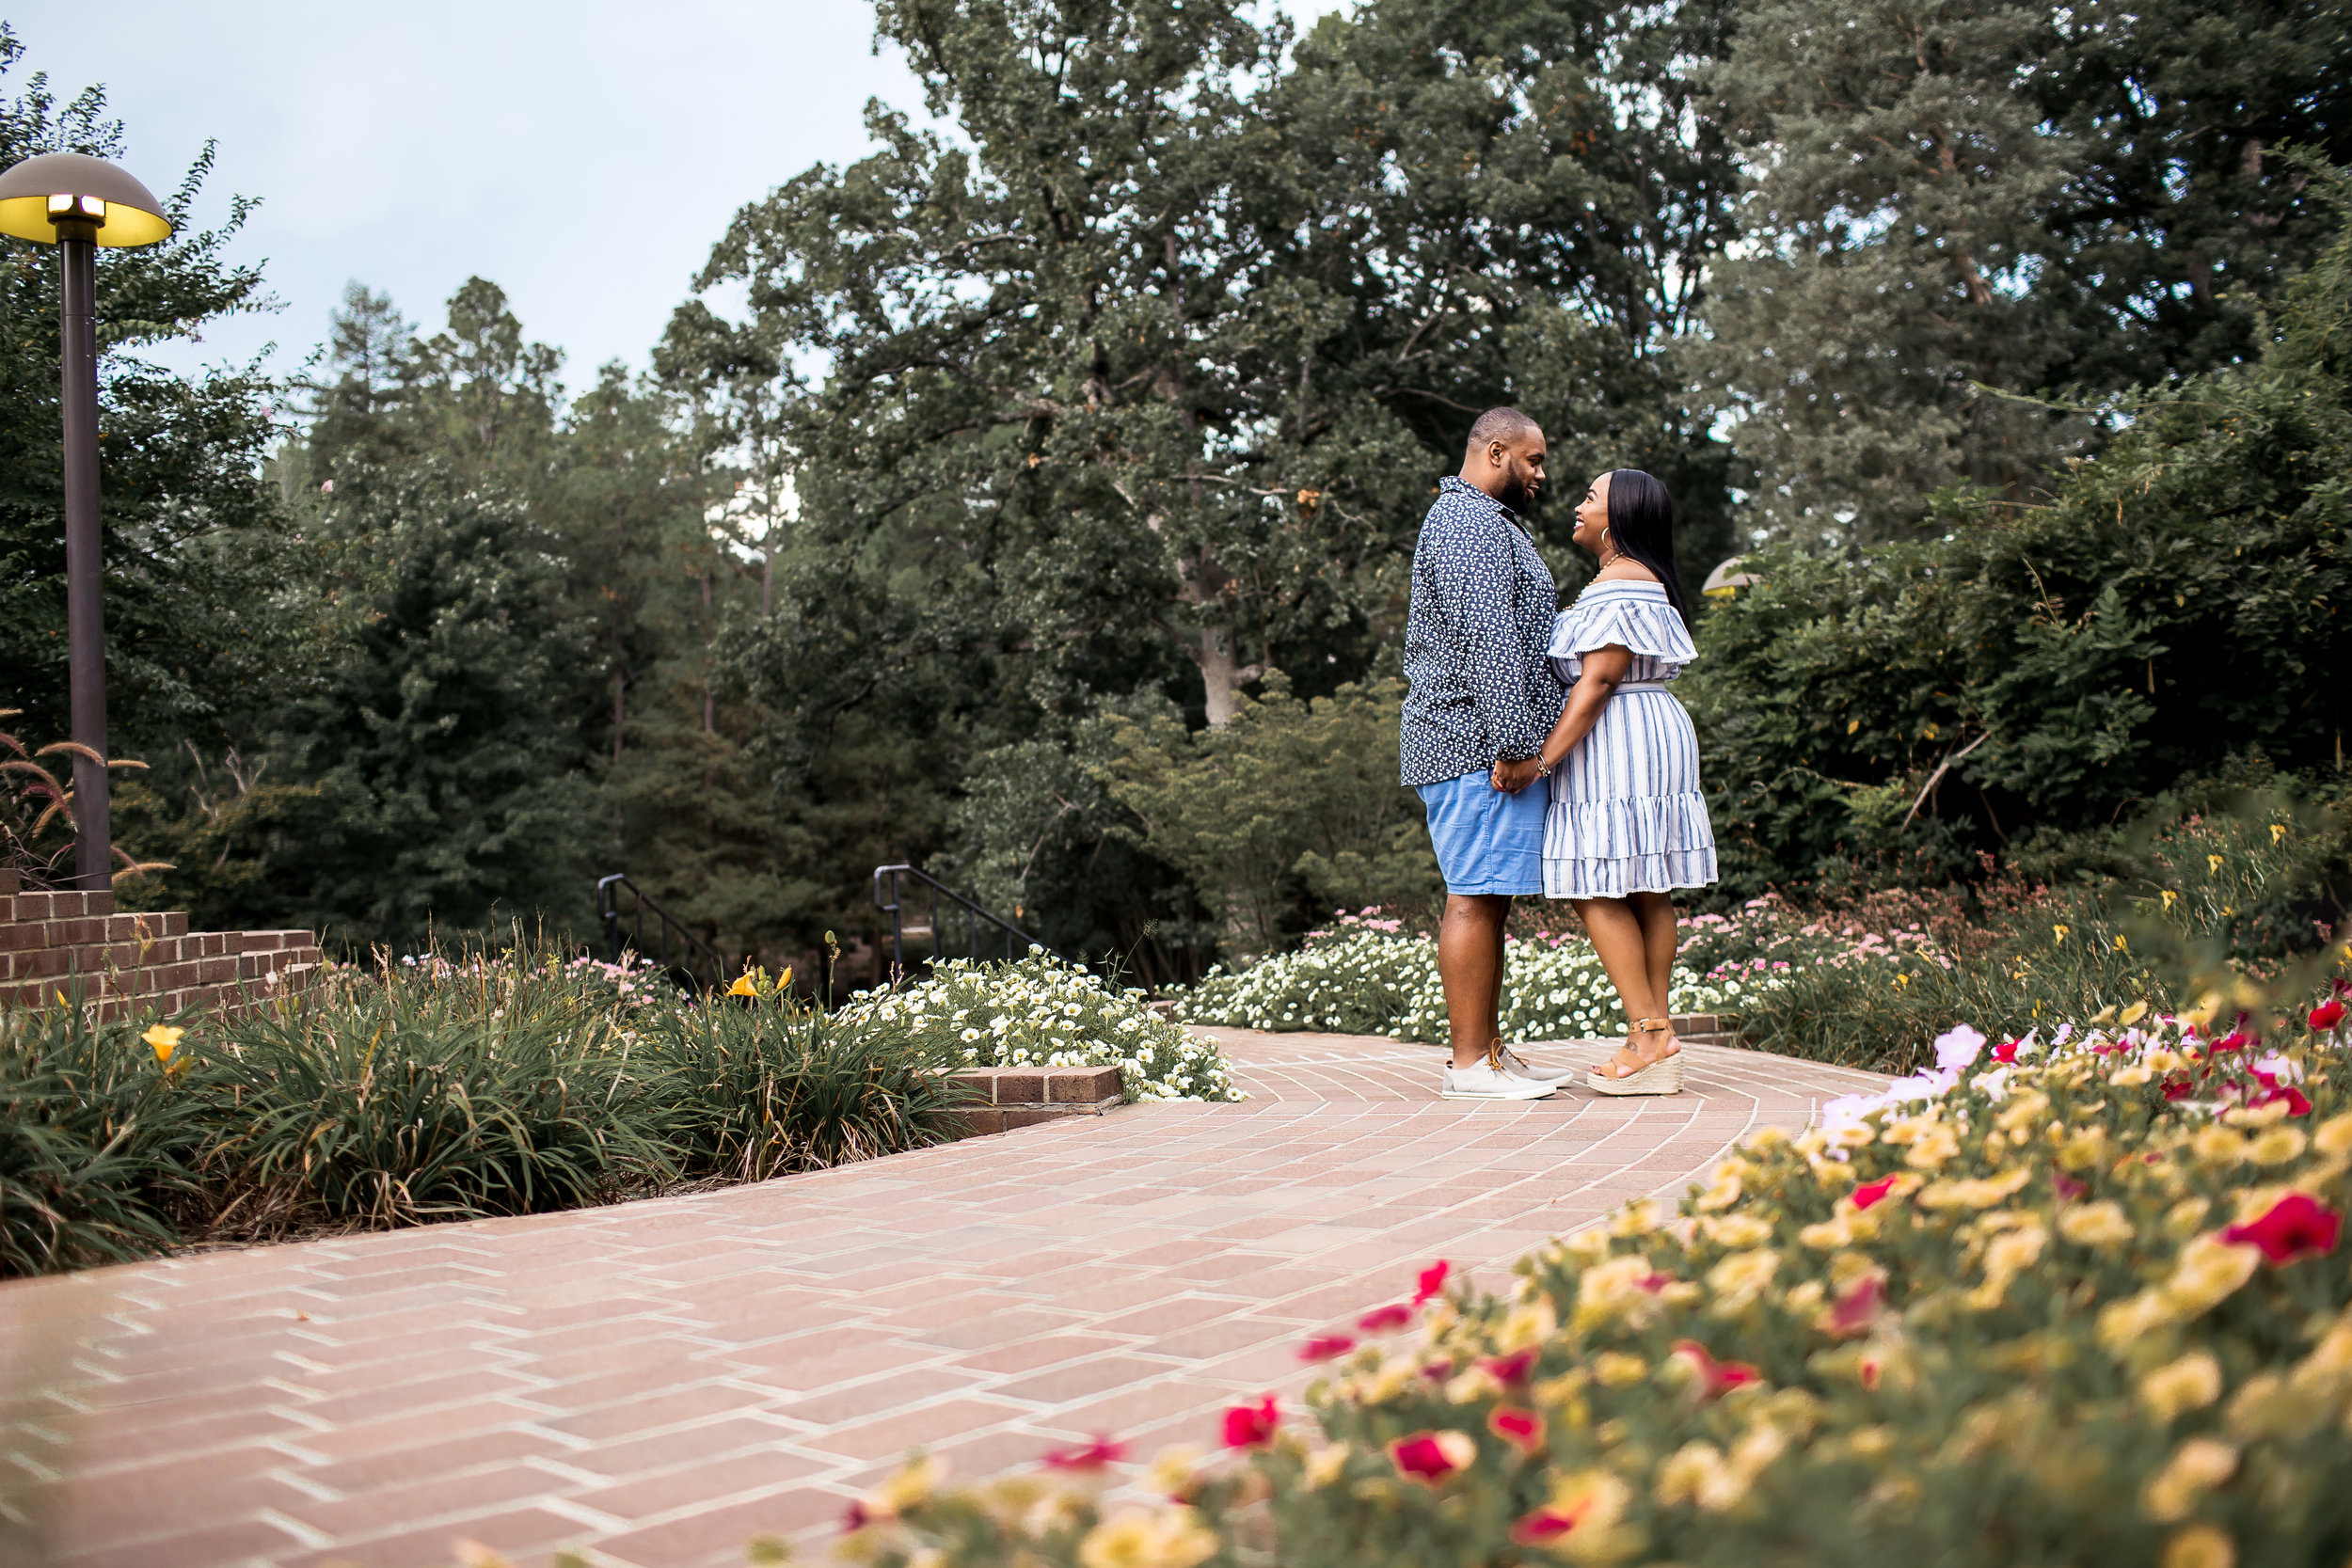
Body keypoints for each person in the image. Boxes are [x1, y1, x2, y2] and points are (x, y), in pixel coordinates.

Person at [1508, 469, 1719, 1095]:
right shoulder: (1639, 581)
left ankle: (1648, 1031)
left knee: (1595, 884)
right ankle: (1653, 1034)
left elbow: (1596, 682)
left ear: (1619, 519)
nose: (1577, 506)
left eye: (1590, 499)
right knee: (1647, 887)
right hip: (1650, 725)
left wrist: (1539, 761)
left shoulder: (1618, 585)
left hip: (1618, 732)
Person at [1400, 408, 1579, 1101]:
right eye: (1533, 461)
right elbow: (1490, 641)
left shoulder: (1478, 521)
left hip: (1479, 741)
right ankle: (1470, 1064)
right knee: (1474, 896)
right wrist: (1514, 743)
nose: (1540, 476)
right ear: (1497, 451)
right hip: (1475, 743)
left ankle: (1490, 1052)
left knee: (1490, 897)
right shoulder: (1468, 523)